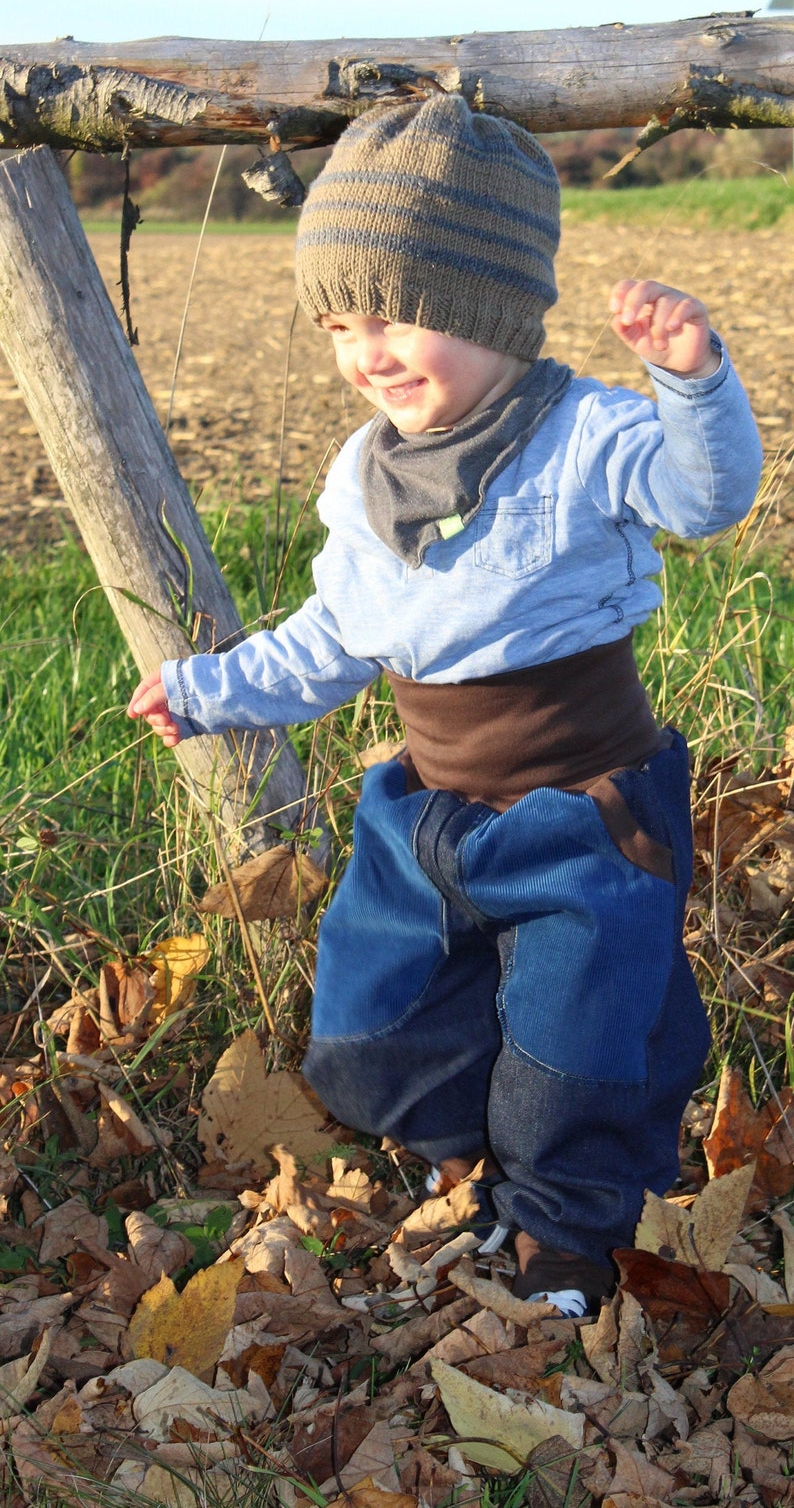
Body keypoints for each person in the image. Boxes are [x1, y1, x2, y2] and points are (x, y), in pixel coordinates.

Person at [128, 96, 763, 1317]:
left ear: (484, 306)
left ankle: (563, 1238)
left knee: (569, 1049)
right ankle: (489, 1154)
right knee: (366, 1039)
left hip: (586, 809)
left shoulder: (583, 433)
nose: (366, 349)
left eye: (395, 312)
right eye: (339, 322)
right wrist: (212, 688)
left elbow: (702, 495)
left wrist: (688, 387)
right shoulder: (363, 472)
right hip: (425, 811)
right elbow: (333, 637)